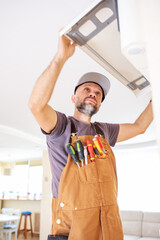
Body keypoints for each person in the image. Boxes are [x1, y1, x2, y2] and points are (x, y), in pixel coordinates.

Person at [29, 33, 153, 240]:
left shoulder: (103, 131)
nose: (93, 94)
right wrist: (60, 58)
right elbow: (36, 106)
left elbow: (140, 127)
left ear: (100, 103)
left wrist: (155, 97)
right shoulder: (61, 127)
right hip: (73, 226)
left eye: (98, 93)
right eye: (87, 89)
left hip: (107, 223)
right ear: (74, 97)